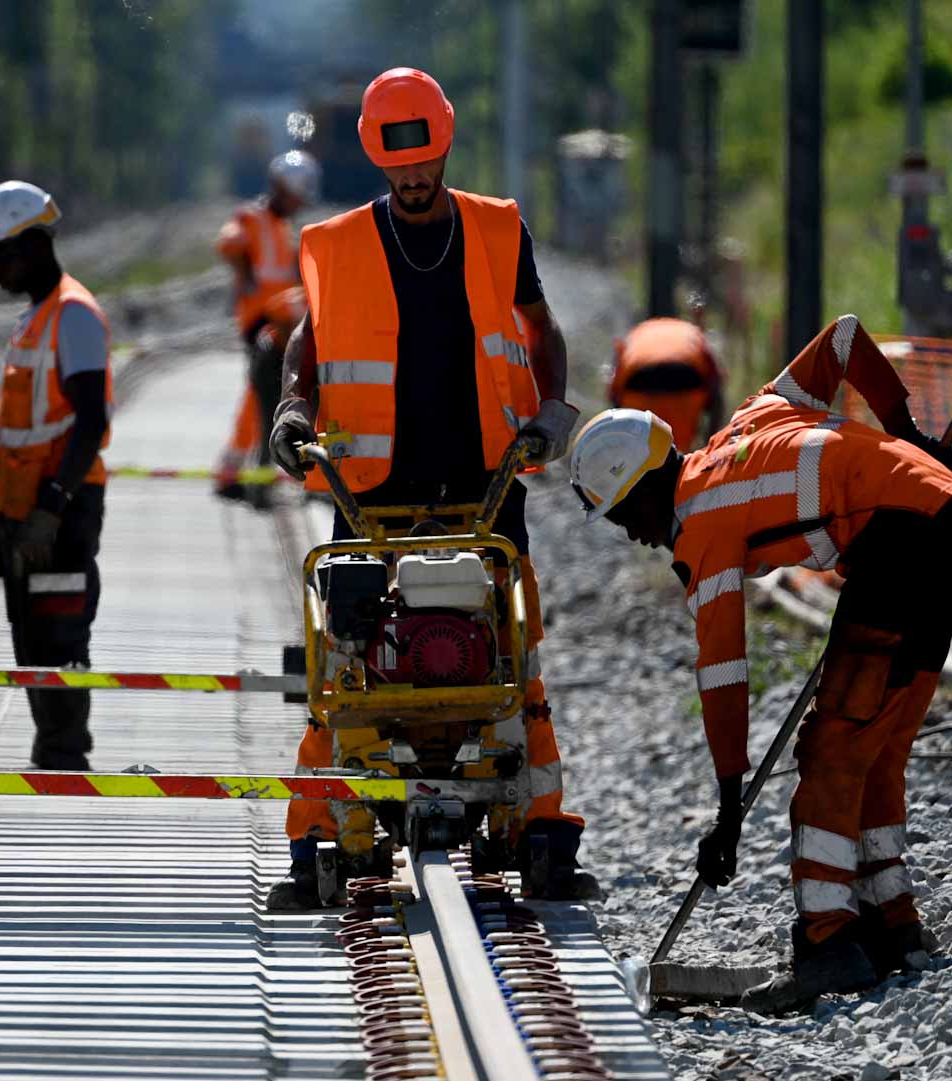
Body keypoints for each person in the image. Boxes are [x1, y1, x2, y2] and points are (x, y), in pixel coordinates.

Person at [566, 314, 952, 1010]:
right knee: (874, 746)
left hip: (902, 542)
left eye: (620, 517)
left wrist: (728, 808)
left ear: (640, 489)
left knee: (828, 753)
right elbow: (845, 338)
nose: (633, 536)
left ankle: (827, 945)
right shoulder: (754, 416)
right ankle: (894, 925)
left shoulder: (702, 527)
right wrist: (907, 432)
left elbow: (724, 675)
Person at [265, 67, 592, 908]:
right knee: (345, 657)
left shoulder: (494, 228)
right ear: (377, 157)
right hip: (371, 480)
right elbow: (310, 336)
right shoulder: (340, 243)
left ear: (443, 145)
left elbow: (538, 322)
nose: (412, 180)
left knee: (513, 647)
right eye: (397, 166)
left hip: (485, 471)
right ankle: (320, 829)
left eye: (424, 162)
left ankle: (543, 822)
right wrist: (294, 407)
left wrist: (553, 406)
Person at [0, 180, 113, 771]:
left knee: (59, 636)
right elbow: (21, 434)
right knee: (32, 639)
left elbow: (90, 422)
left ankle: (63, 756)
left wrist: (52, 507)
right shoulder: (37, 317)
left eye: (1, 255)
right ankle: (54, 752)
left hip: (61, 511)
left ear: (32, 244)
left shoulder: (73, 315)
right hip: (28, 510)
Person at [212, 150, 320, 505]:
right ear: (282, 189)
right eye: (296, 195)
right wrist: (245, 277)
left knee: (257, 395)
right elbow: (228, 243)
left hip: (278, 322)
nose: (299, 202)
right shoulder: (251, 216)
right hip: (260, 323)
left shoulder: (282, 227)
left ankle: (241, 467)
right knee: (258, 395)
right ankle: (235, 468)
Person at [609, 316, 725, 451]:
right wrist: (710, 448)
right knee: (678, 456)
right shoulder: (693, 332)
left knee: (645, 455)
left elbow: (614, 393)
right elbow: (716, 384)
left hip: (637, 386)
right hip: (687, 384)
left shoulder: (635, 334)